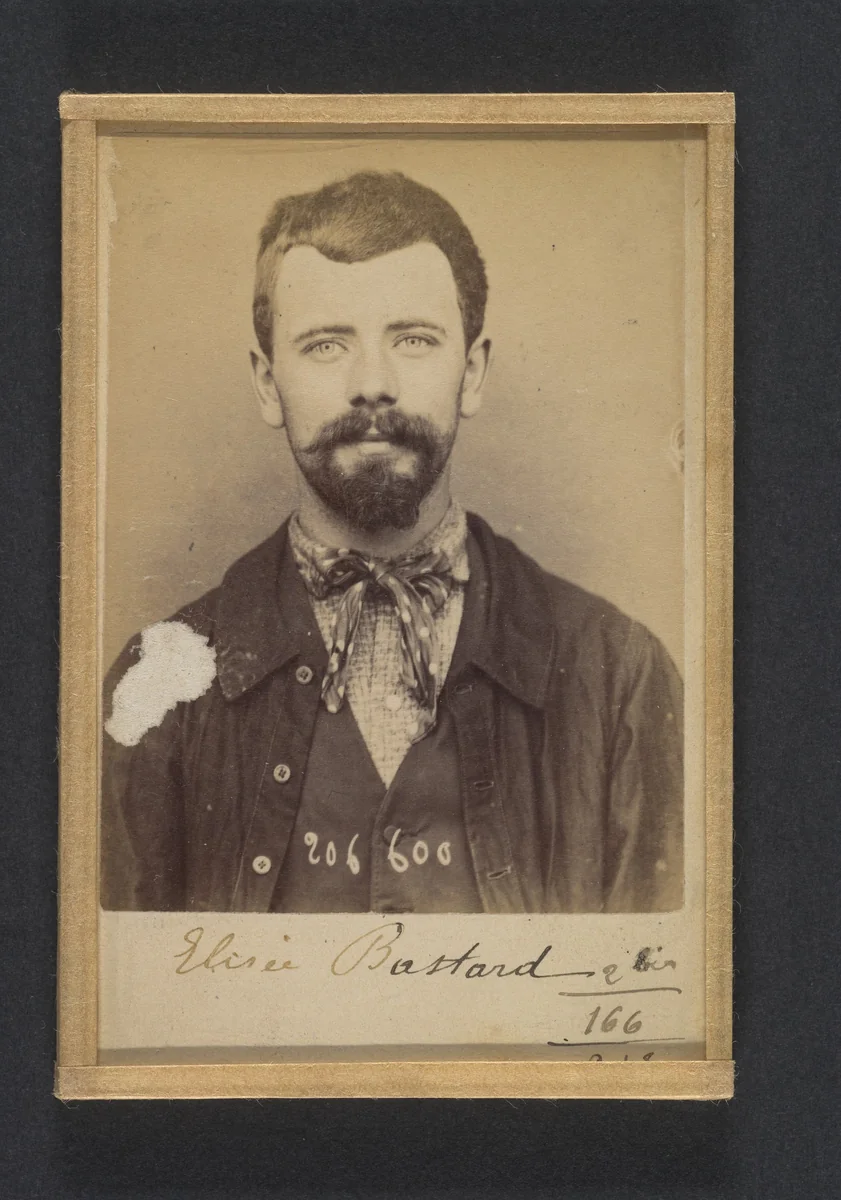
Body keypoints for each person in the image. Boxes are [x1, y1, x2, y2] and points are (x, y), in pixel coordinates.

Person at [101, 170, 683, 915]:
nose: (371, 383)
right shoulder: (159, 686)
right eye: (323, 345)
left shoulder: (622, 679)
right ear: (265, 384)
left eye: (412, 340)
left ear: (470, 373)